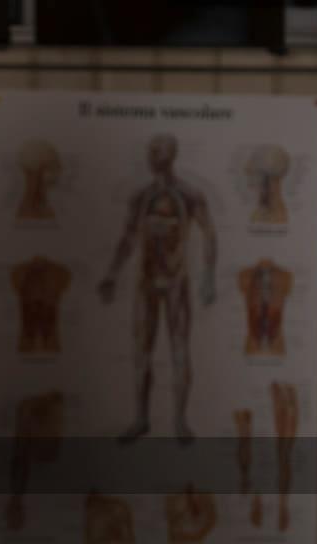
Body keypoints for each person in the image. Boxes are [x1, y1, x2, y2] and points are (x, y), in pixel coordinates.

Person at [97, 133, 217, 444]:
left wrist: (209, 276)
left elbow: (209, 233)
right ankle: (141, 419)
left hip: (176, 282)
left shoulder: (190, 194)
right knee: (141, 351)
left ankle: (180, 421)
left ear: (172, 154)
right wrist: (112, 273)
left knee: (179, 350)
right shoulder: (140, 197)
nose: (151, 156)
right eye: (150, 150)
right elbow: (128, 238)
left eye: (158, 151)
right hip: (146, 282)